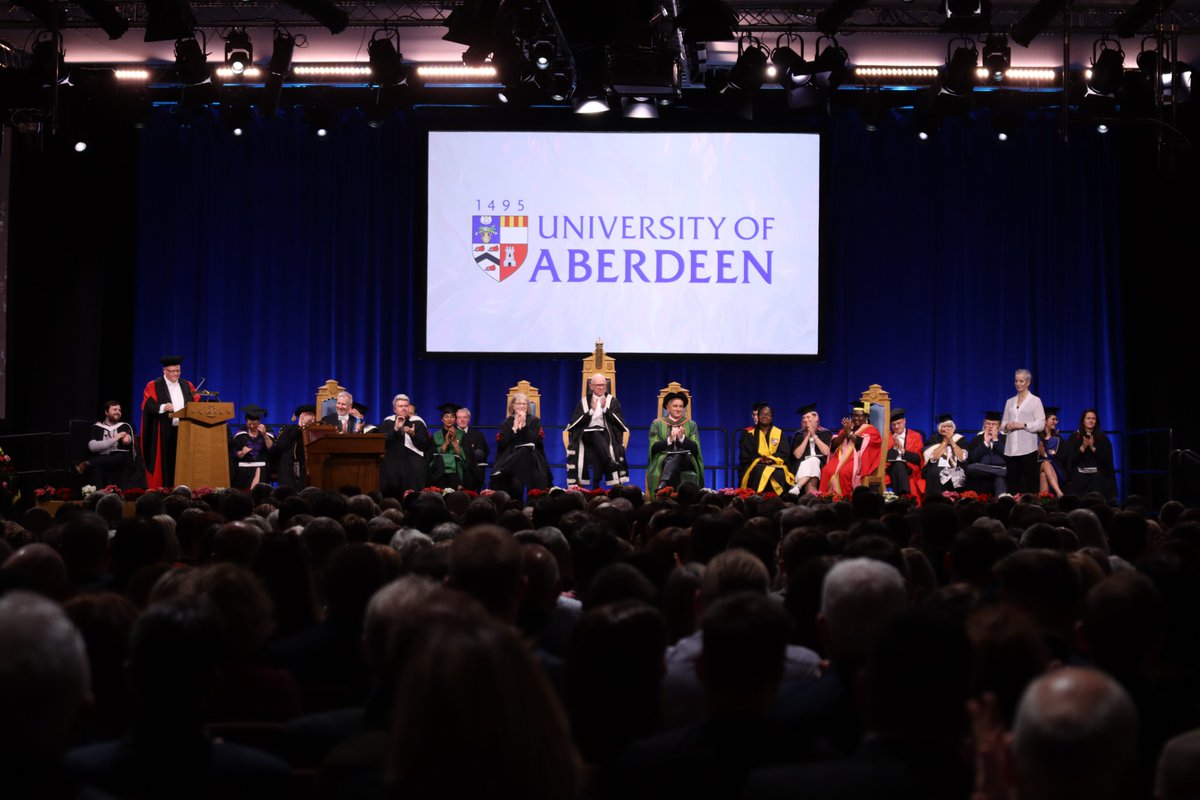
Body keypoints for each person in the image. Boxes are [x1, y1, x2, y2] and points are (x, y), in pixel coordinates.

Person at [140, 355, 198, 488]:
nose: (176, 374)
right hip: (164, 430)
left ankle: (183, 489)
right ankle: (165, 489)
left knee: (182, 463)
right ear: (164, 371)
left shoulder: (187, 385)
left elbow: (196, 400)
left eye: (178, 371)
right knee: (166, 463)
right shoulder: (154, 385)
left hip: (184, 430)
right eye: (173, 371)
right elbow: (147, 405)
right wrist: (162, 407)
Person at [565, 374, 629, 488]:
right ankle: (609, 463)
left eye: (604, 385)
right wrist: (591, 411)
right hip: (586, 436)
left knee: (597, 447)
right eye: (598, 385)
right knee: (595, 433)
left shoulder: (612, 401)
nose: (601, 387)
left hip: (605, 437)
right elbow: (574, 423)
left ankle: (596, 485)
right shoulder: (584, 402)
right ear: (591, 386)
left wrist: (605, 409)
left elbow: (620, 423)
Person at [490, 392, 552, 498]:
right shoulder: (506, 423)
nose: (522, 406)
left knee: (524, 450)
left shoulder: (534, 421)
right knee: (516, 481)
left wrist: (524, 425)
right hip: (511, 455)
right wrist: (513, 429)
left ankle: (503, 469)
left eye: (525, 404)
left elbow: (535, 441)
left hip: (532, 458)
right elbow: (502, 444)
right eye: (519, 403)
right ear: (513, 406)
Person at [818, 403, 881, 496]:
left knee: (844, 473)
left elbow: (862, 444)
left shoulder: (871, 430)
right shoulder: (848, 428)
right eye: (854, 415)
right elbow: (834, 445)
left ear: (866, 416)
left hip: (858, 460)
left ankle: (845, 499)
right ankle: (827, 498)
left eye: (860, 416)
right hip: (840, 458)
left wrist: (849, 432)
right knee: (826, 470)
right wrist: (844, 432)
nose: (856, 418)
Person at [647, 391, 704, 492]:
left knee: (679, 455)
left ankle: (663, 483)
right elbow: (654, 448)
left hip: (687, 460)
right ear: (668, 408)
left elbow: (695, 449)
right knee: (673, 460)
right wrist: (670, 439)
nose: (678, 409)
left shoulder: (691, 424)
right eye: (675, 406)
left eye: (681, 406)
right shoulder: (657, 424)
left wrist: (682, 438)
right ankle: (675, 496)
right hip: (665, 459)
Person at [1002, 368, 1046, 494]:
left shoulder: (1035, 401)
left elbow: (1041, 424)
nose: (1018, 384)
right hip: (1011, 450)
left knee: (1030, 483)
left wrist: (1023, 425)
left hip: (1027, 449)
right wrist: (1007, 426)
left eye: (1021, 381)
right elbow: (1003, 424)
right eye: (1016, 381)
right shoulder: (1009, 402)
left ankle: (1032, 509)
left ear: (1028, 382)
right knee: (1013, 484)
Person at [381, 394, 430, 497]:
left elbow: (425, 446)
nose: (404, 408)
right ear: (394, 409)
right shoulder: (388, 423)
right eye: (400, 406)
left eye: (406, 406)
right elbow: (382, 443)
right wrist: (395, 429)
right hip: (392, 468)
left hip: (413, 468)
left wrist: (413, 435)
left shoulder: (417, 423)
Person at [1060, 409, 1116, 498]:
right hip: (1079, 471)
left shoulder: (1102, 438)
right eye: (1088, 418)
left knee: (1097, 480)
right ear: (1083, 420)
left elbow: (1106, 460)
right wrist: (1082, 448)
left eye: (1093, 418)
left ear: (1096, 421)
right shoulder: (1075, 437)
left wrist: (1093, 449)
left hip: (1097, 472)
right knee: (1079, 479)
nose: (1091, 420)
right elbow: (1070, 459)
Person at [738, 404, 793, 494]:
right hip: (754, 464)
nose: (765, 417)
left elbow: (785, 453)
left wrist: (771, 459)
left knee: (780, 473)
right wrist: (761, 460)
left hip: (775, 463)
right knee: (759, 471)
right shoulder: (748, 433)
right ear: (758, 416)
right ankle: (756, 498)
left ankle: (778, 501)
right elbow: (745, 454)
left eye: (768, 414)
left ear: (771, 417)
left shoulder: (778, 433)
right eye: (762, 414)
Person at [87, 399, 138, 488]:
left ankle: (89, 463)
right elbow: (92, 447)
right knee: (97, 469)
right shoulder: (96, 427)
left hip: (119, 459)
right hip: (102, 458)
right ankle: (98, 497)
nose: (118, 412)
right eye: (115, 409)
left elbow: (127, 442)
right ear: (106, 412)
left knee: (121, 456)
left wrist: (127, 439)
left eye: (119, 410)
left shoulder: (124, 425)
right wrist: (115, 438)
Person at [788, 403, 832, 496]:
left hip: (820, 464)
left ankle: (797, 487)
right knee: (812, 463)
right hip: (801, 464)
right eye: (803, 418)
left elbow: (826, 452)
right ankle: (812, 504)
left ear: (816, 418)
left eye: (808, 417)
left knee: (814, 460)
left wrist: (814, 435)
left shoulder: (825, 433)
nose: (805, 420)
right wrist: (807, 435)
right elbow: (797, 455)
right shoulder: (798, 434)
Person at [922, 413, 967, 496]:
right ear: (940, 428)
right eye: (944, 426)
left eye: (949, 426)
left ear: (953, 428)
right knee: (935, 472)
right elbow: (934, 457)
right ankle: (936, 499)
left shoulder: (960, 439)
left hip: (955, 465)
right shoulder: (934, 439)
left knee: (957, 475)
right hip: (936, 465)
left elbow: (962, 457)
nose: (947, 429)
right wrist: (945, 441)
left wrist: (952, 441)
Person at [230, 405, 274, 490]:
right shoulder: (240, 434)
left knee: (258, 491)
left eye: (255, 424)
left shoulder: (267, 431)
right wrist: (241, 453)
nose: (252, 426)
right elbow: (235, 452)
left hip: (262, 468)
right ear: (246, 421)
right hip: (243, 468)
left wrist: (264, 435)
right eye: (249, 424)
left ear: (259, 422)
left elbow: (272, 448)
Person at [274, 404, 316, 491]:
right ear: (301, 415)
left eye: (313, 414)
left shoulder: (314, 431)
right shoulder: (288, 429)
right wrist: (300, 427)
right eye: (309, 414)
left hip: (306, 466)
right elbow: (281, 446)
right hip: (288, 466)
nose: (312, 417)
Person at [884, 408, 924, 497]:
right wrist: (894, 446)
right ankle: (905, 495)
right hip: (891, 467)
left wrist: (902, 450)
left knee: (900, 466)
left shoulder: (915, 436)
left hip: (910, 467)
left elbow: (917, 459)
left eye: (899, 423)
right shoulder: (887, 437)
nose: (896, 427)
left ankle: (899, 497)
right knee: (898, 464)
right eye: (893, 424)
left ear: (904, 421)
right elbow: (884, 458)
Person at [966, 411, 1009, 495]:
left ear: (999, 426)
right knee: (970, 467)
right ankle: (1001, 471)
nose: (990, 427)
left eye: (994, 424)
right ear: (984, 424)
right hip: (982, 468)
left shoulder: (1005, 439)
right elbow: (973, 458)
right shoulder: (977, 439)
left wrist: (996, 440)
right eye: (988, 424)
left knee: (1000, 478)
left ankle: (1001, 501)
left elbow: (1007, 457)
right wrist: (985, 443)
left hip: (1001, 465)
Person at [429, 403, 468, 489]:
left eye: (452, 417)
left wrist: (454, 441)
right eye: (446, 417)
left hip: (457, 468)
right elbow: (433, 455)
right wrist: (446, 442)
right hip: (440, 469)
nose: (449, 419)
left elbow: (463, 456)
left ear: (455, 420)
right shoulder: (435, 435)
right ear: (442, 419)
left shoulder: (462, 435)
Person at [456, 407, 490, 491]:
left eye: (465, 417)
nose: (462, 420)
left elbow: (481, 453)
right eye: (459, 417)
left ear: (469, 419)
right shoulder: (451, 434)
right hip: (456, 472)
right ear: (456, 420)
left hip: (473, 471)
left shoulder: (478, 435)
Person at [1037, 406, 1065, 497]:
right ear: (1045, 421)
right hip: (1035, 468)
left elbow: (1063, 458)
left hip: (1055, 470)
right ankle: (1059, 493)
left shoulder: (1058, 439)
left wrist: (1045, 455)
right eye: (1053, 419)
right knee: (1045, 464)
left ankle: (1045, 503)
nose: (1056, 422)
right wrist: (1038, 453)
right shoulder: (1035, 438)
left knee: (1043, 475)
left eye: (1056, 419)